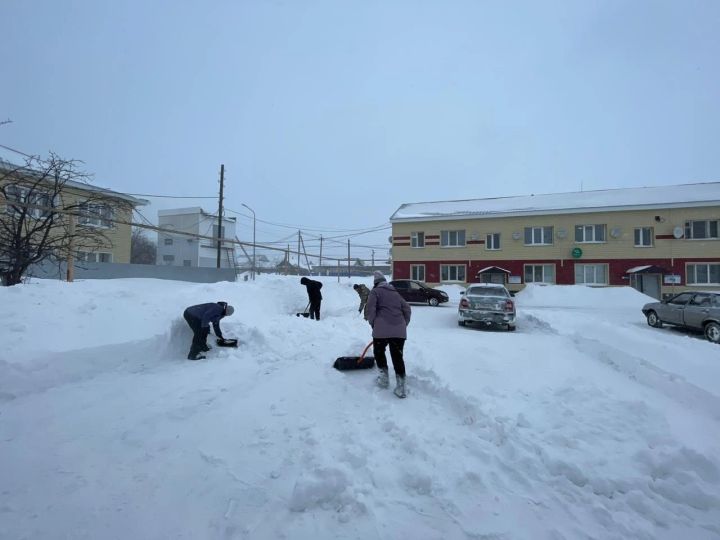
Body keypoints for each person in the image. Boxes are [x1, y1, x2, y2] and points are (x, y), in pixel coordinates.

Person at [366, 271, 411, 398]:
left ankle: (384, 379)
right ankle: (401, 387)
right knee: (397, 357)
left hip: (381, 330)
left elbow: (370, 309)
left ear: (376, 283)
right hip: (399, 331)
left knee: (379, 352)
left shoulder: (375, 292)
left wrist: (373, 323)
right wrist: (404, 324)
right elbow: (407, 309)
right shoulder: (396, 293)